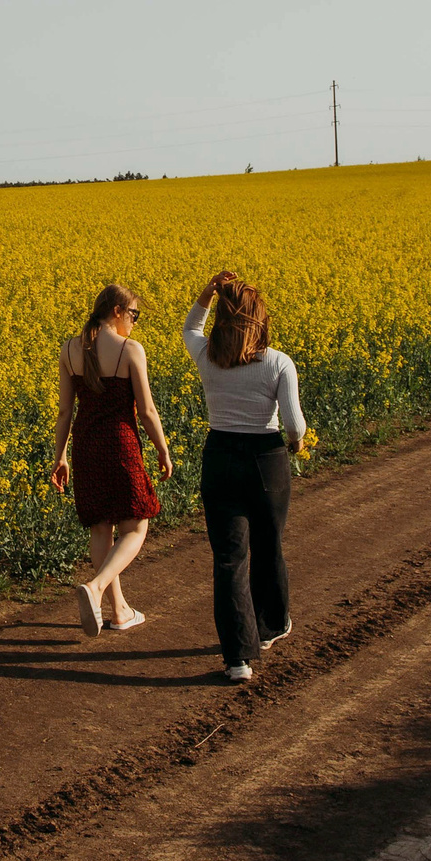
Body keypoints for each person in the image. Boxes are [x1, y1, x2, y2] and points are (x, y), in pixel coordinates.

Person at [184, 270, 306, 683]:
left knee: (229, 558)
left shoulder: (207, 356)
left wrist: (207, 292)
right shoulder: (277, 362)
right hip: (266, 458)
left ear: (222, 321)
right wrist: (296, 443)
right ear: (260, 320)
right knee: (268, 545)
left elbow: (190, 327)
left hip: (219, 457)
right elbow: (295, 424)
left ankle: (237, 659)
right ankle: (270, 628)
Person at [50, 283, 174, 638]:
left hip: (86, 446)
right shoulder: (130, 350)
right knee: (136, 525)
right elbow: (147, 411)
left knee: (101, 527)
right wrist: (163, 450)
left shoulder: (70, 349)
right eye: (133, 315)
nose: (134, 323)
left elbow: (64, 412)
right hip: (120, 445)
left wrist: (59, 457)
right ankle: (98, 586)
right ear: (117, 311)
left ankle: (119, 611)